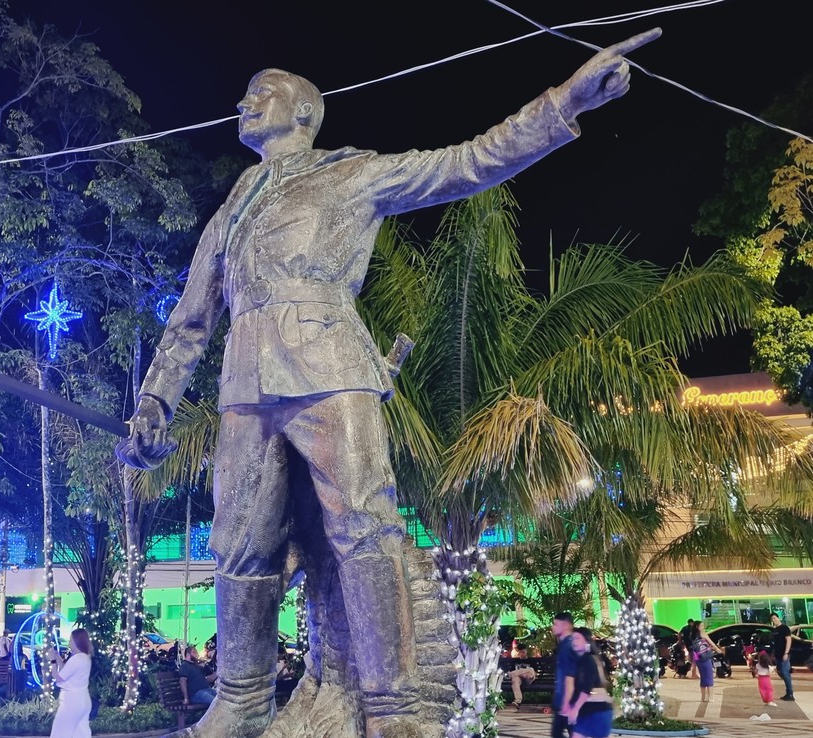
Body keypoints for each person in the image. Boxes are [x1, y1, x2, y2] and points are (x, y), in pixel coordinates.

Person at [116, 28, 660, 738]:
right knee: (238, 543)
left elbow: (468, 162)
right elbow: (191, 318)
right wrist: (155, 400)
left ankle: (394, 709)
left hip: (331, 366)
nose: (242, 103)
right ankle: (242, 699)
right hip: (245, 384)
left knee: (364, 529)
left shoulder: (351, 175)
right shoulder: (236, 203)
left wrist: (564, 102)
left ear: (304, 113)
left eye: (261, 94)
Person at [565, 628, 613, 738]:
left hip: (596, 711)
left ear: (586, 641)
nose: (574, 641)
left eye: (577, 638)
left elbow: (586, 688)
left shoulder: (588, 660)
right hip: (589, 710)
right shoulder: (581, 660)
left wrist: (574, 709)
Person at [47, 628, 93, 738]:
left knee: (59, 733)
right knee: (80, 734)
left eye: (71, 640)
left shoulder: (76, 659)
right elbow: (66, 672)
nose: (69, 643)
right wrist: (58, 657)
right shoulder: (85, 658)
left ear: (77, 642)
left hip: (71, 702)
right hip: (83, 701)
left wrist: (52, 661)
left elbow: (58, 677)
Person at [551, 612, 578, 738]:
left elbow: (569, 677)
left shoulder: (568, 645)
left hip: (567, 700)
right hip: (566, 699)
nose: (553, 627)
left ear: (566, 625)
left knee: (558, 733)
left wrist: (566, 703)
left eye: (556, 624)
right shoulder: (567, 644)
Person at [689, 622, 721, 702]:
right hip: (705, 657)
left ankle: (703, 697)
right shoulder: (702, 634)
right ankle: (711, 697)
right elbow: (711, 643)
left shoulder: (692, 635)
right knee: (709, 676)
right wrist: (717, 649)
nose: (703, 627)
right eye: (702, 625)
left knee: (703, 677)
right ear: (697, 626)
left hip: (698, 658)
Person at [770, 613, 794, 701]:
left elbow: (788, 640)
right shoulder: (775, 630)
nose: (774, 620)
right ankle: (788, 692)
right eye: (772, 619)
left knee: (785, 673)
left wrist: (786, 653)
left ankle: (790, 694)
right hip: (777, 655)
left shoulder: (785, 628)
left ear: (778, 618)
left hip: (784, 655)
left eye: (775, 618)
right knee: (781, 673)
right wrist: (773, 655)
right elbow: (775, 644)